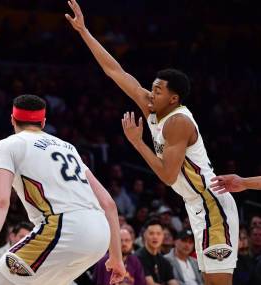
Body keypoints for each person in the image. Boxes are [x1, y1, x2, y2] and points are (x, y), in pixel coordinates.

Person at [65, 1, 239, 284]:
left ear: (173, 99)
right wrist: (84, 31)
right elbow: (116, 72)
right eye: (152, 87)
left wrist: (137, 142)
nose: (150, 93)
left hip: (212, 205)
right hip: (195, 204)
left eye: (157, 91)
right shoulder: (153, 107)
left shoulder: (178, 123)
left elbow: (168, 175)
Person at [0, 95, 126, 285]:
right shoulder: (68, 148)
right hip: (100, 235)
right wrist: (116, 257)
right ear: (44, 122)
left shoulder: (8, 145)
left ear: (12, 120)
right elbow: (108, 204)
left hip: (64, 229)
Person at [135, 219, 178, 285]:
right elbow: (150, 283)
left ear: (162, 236)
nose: (155, 237)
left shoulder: (165, 261)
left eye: (158, 233)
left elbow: (172, 281)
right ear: (144, 235)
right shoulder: (138, 257)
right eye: (151, 233)